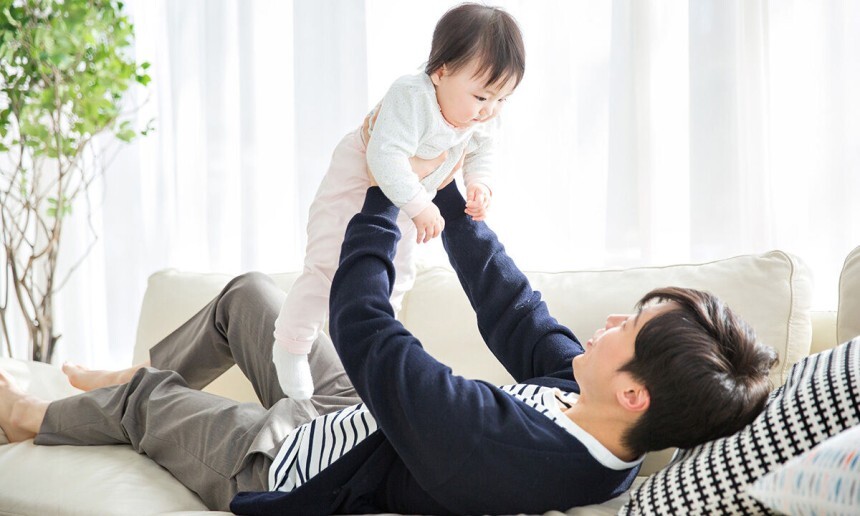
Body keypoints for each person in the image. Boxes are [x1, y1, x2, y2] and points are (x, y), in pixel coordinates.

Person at [0, 180, 777, 514]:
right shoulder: (591, 408)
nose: (607, 322)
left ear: (635, 393)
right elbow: (513, 306)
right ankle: (135, 373)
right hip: (357, 418)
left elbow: (371, 334)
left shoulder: (515, 450)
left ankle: (33, 416)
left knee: (148, 404)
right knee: (250, 298)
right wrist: (442, 193)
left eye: (625, 330)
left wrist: (381, 196)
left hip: (292, 459)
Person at [272, 2, 525, 400]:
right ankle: (291, 343)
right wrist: (421, 206)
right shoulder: (412, 96)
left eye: (502, 99)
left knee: (397, 276)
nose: (489, 110)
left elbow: (482, 150)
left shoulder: (482, 115)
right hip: (359, 180)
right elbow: (384, 158)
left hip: (409, 197)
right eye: (481, 96)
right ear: (440, 72)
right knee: (326, 267)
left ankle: (370, 346)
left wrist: (480, 184)